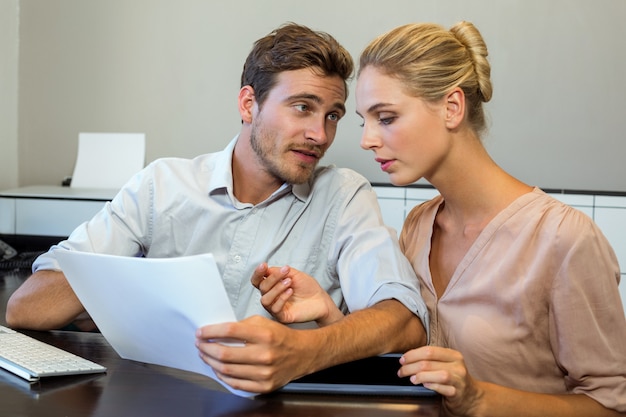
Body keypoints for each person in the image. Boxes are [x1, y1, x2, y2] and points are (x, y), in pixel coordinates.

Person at [5, 22, 428, 394]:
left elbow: (406, 324)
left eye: (332, 115)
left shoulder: (343, 195)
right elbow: (26, 308)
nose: (320, 134)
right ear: (248, 104)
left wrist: (303, 350)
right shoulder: (161, 186)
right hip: (152, 398)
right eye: (303, 107)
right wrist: (122, 293)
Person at [260, 21, 626, 416]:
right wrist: (328, 314)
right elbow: (413, 367)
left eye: (385, 117)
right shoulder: (419, 225)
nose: (366, 139)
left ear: (452, 108)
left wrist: (479, 398)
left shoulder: (562, 238)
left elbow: (610, 404)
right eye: (363, 120)